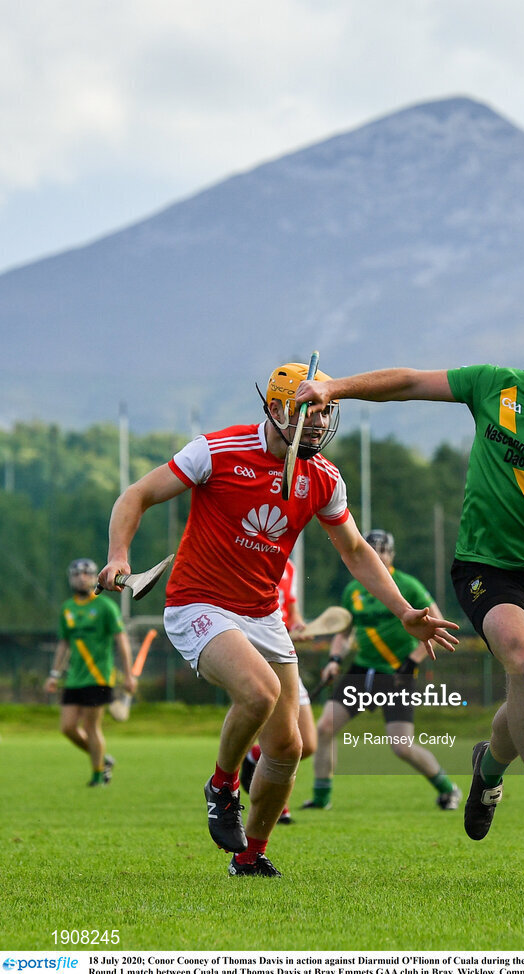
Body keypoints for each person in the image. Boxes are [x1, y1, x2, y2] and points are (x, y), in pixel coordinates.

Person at [296, 305, 524, 862]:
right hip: (483, 566)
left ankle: (488, 768)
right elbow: (409, 382)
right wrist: (336, 386)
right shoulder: (493, 386)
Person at [98, 361, 459, 879]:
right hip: (198, 603)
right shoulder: (217, 451)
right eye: (307, 410)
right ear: (273, 408)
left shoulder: (324, 477)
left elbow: (356, 551)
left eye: (326, 410)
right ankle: (222, 786)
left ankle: (250, 856)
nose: (318, 421)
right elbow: (137, 495)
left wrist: (405, 611)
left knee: (288, 747)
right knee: (260, 691)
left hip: (263, 614)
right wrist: (118, 556)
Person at [302, 528, 462, 812]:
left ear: (392, 554)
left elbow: (436, 623)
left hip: (397, 673)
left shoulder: (408, 585)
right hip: (362, 670)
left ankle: (448, 790)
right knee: (325, 728)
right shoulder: (353, 589)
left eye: (383, 549)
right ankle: (321, 799)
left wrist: (413, 660)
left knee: (402, 747)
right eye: (371, 547)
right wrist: (334, 660)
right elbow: (343, 631)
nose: (377, 553)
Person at [44, 558, 135, 787]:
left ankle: (98, 776)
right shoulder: (68, 609)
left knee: (90, 727)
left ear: (95, 577)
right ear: (70, 579)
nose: (81, 578)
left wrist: (128, 674)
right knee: (67, 727)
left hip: (99, 676)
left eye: (86, 574)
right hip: (74, 677)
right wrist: (55, 675)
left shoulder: (106, 607)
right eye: (76, 574)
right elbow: (64, 644)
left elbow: (122, 641)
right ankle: (103, 758)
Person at [240, 558, 314, 824]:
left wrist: (297, 627)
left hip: (284, 653)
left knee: (307, 743)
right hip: (255, 653)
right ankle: (275, 807)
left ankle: (253, 756)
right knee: (280, 739)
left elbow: (291, 613)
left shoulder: (290, 566)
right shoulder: (245, 553)